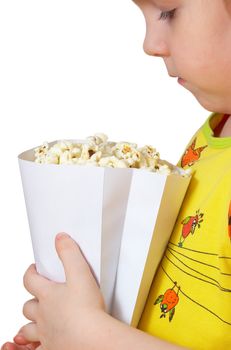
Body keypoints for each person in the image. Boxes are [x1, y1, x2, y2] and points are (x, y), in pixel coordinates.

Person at [2, 0, 231, 349]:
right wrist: (68, 330)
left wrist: (91, 335)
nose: (150, 44)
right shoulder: (216, 129)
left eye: (168, 12)